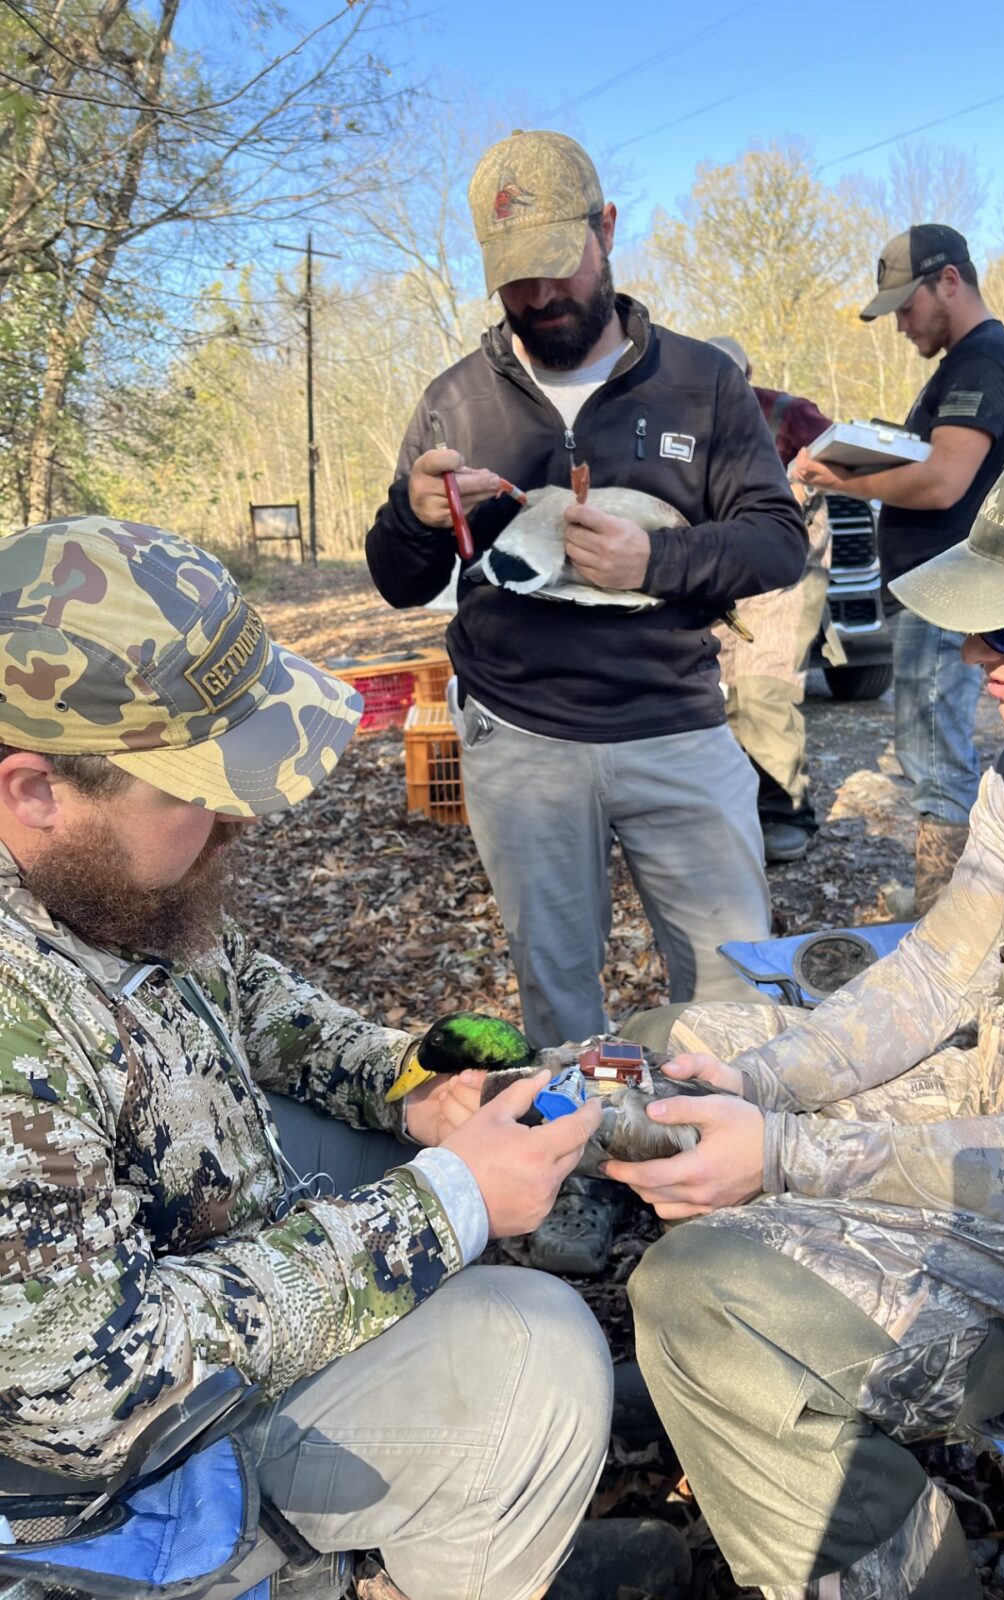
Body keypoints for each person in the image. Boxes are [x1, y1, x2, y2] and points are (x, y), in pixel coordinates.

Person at [612, 422, 1004, 1598]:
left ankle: (890, 1559)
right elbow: (940, 972)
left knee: (703, 1299)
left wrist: (789, 1155)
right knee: (669, 1051)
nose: (979, 646)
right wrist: (763, 1085)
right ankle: (734, 1390)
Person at [0, 514, 622, 1600]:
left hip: (179, 1252)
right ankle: (412, 1541)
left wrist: (415, 1085)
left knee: (388, 1152)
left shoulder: (95, 874)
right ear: (36, 790)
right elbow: (85, 1390)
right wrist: (447, 1204)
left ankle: (451, 1503)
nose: (239, 818)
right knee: (540, 1354)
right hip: (100, 1466)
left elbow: (256, 1005)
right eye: (198, 788)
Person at [366, 130, 807, 1049]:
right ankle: (580, 1175)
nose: (539, 297)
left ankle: (718, 1176)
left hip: (678, 729)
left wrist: (655, 565)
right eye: (514, 278)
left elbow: (777, 543)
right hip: (518, 742)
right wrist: (412, 514)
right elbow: (400, 582)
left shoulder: (701, 382)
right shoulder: (455, 401)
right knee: (557, 998)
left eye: (557, 267)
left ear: (606, 229)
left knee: (736, 996)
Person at [793, 224, 1004, 913]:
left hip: (946, 586)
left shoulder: (982, 362)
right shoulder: (968, 361)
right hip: (935, 584)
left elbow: (943, 484)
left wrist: (844, 478)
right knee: (932, 748)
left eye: (906, 305)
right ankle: (946, 901)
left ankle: (940, 918)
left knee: (934, 756)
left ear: (949, 281)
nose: (900, 323)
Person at [706, 336, 839, 863]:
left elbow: (851, 461)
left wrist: (805, 481)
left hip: (788, 566)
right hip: (723, 565)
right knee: (715, 692)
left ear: (746, 375)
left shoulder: (789, 414)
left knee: (762, 689)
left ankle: (787, 813)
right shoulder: (681, 417)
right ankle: (734, 809)